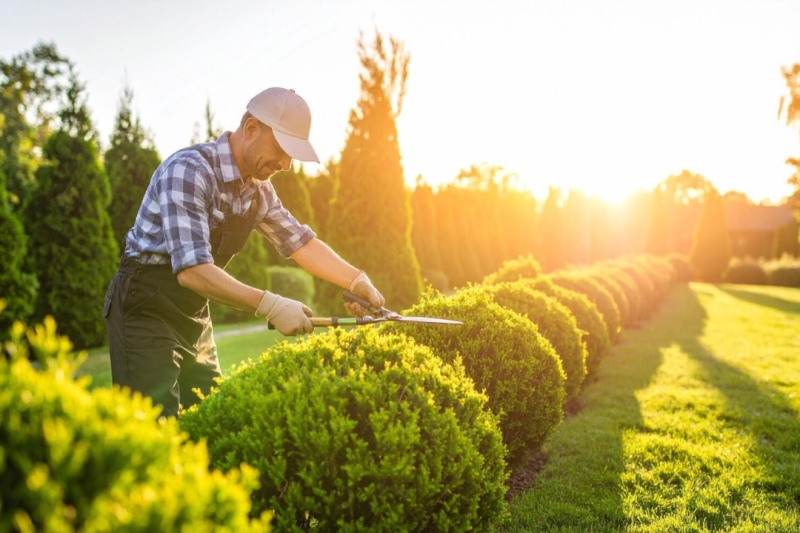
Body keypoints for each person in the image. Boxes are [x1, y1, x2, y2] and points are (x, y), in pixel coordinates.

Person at [103, 87, 384, 417]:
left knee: (214, 417)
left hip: (192, 313)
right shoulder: (189, 171)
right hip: (144, 307)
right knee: (155, 430)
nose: (286, 165)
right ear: (251, 129)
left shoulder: (259, 191)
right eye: (282, 149)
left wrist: (356, 279)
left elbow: (300, 242)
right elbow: (192, 270)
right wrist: (271, 304)